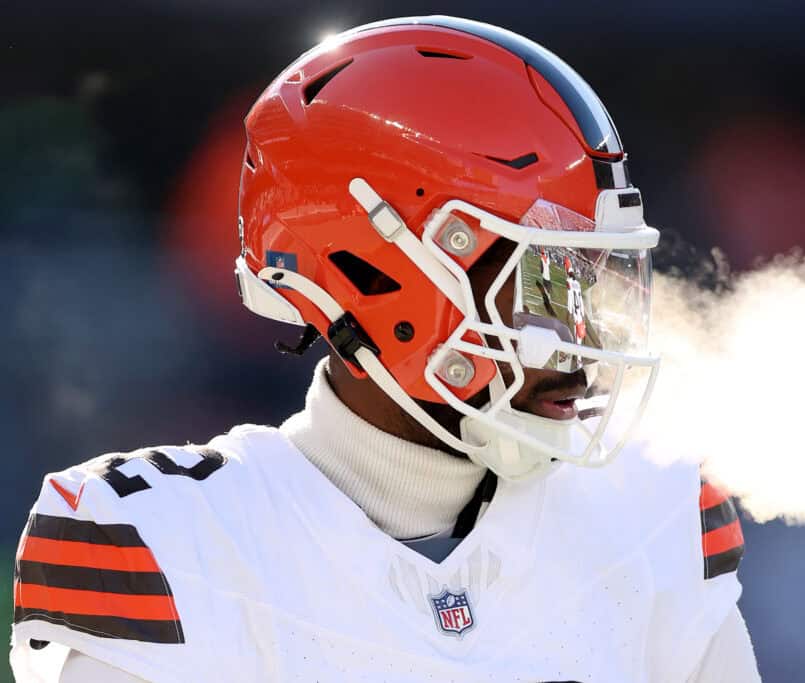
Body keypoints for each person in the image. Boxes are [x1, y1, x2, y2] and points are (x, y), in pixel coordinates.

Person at [10, 16, 759, 682]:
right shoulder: (172, 545)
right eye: (551, 281)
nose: (588, 337)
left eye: (594, 281)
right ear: (384, 271)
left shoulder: (651, 518)